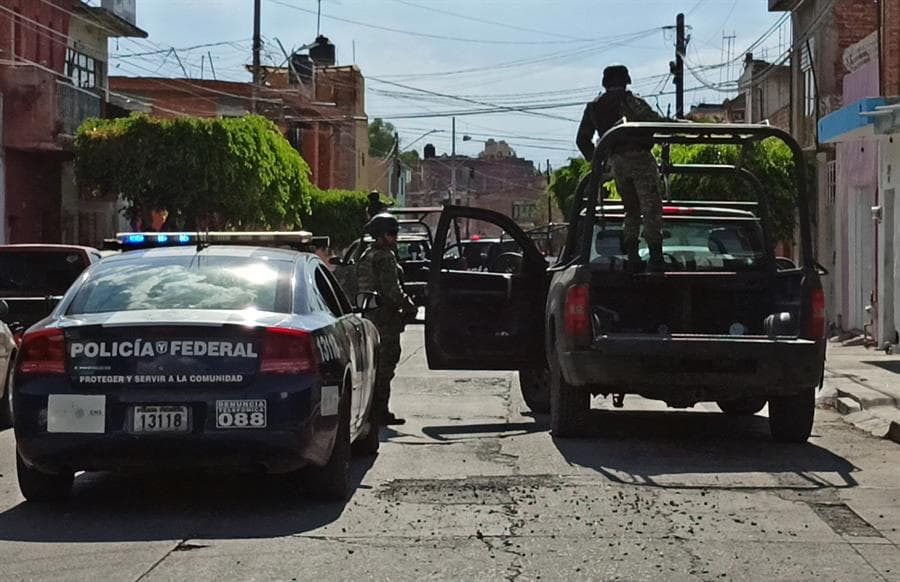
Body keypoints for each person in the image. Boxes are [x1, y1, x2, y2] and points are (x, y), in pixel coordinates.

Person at [576, 64, 666, 273]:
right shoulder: (630, 100)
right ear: (626, 81)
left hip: (617, 162)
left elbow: (582, 139)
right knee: (650, 207)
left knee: (631, 210)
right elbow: (654, 122)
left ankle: (632, 255)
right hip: (640, 159)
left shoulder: (594, 107)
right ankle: (655, 256)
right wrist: (676, 124)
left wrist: (599, 162)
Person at [356, 212, 417, 426]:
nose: (395, 238)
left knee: (374, 366)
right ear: (381, 235)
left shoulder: (366, 255)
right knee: (385, 366)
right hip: (385, 319)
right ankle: (380, 412)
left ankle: (372, 410)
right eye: (392, 233)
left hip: (370, 317)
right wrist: (409, 306)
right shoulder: (384, 257)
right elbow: (393, 290)